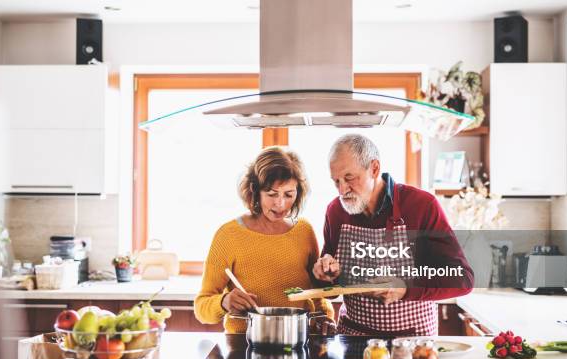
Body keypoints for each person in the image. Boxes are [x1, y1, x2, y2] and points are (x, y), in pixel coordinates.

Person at [312, 134, 474, 336]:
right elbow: (329, 282)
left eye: (349, 178)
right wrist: (326, 272)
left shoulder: (422, 205)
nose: (342, 189)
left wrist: (405, 289)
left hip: (413, 341)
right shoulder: (336, 211)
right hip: (353, 338)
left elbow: (463, 279)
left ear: (374, 168)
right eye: (336, 181)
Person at [195, 146, 334, 334]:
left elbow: (316, 295)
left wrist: (324, 317)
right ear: (255, 191)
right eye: (271, 194)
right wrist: (223, 302)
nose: (280, 203)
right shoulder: (229, 235)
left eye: (289, 194)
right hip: (245, 344)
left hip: (298, 338)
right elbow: (202, 308)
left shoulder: (304, 231)